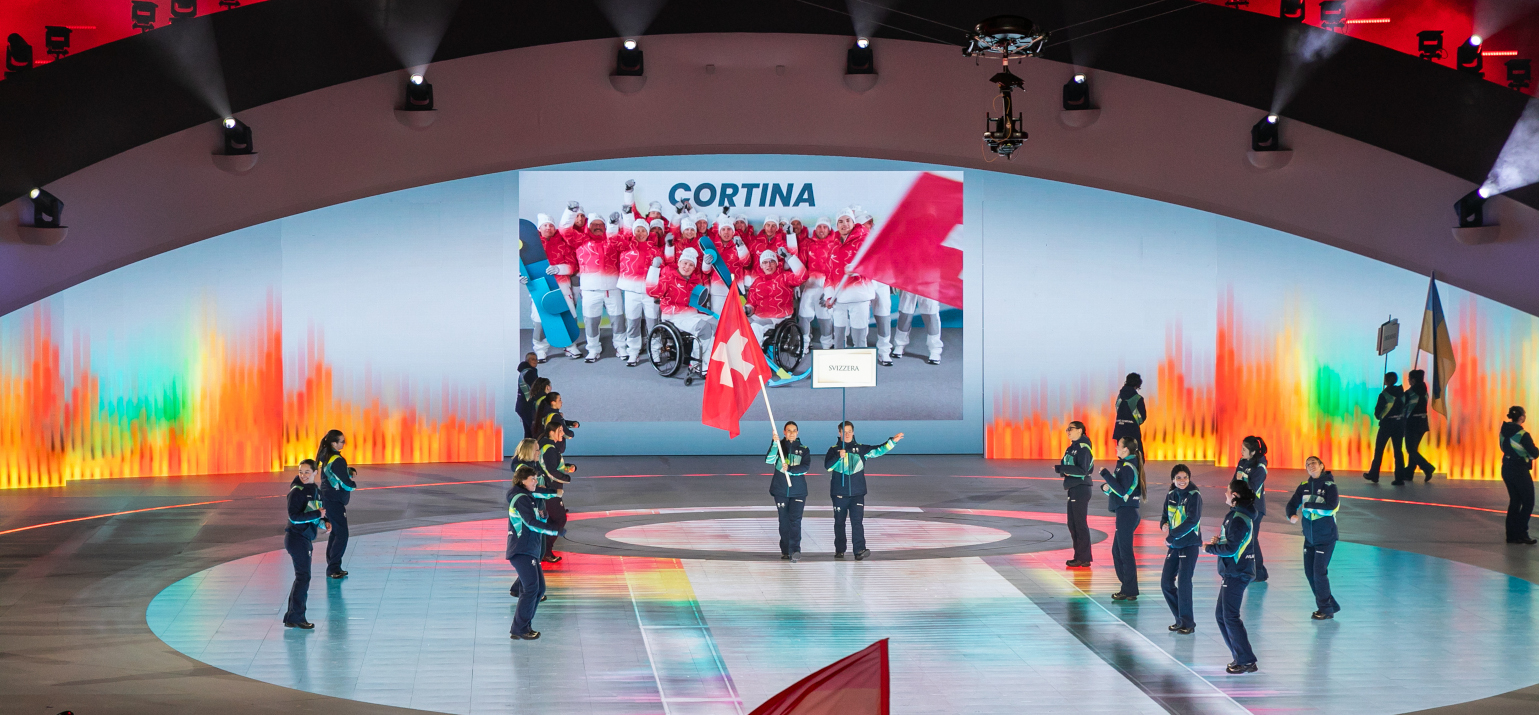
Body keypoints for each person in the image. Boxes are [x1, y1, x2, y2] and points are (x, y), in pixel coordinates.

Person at [824, 422, 904, 560]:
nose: (847, 434)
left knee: (857, 522)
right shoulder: (833, 450)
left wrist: (892, 442)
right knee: (839, 522)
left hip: (857, 493)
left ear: (853, 432)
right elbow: (828, 467)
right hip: (839, 493)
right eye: (844, 431)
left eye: (849, 431)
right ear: (839, 433)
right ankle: (840, 549)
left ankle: (859, 549)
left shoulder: (860, 449)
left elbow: (878, 450)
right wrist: (838, 456)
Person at [1205, 479, 1260, 674]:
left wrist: (1211, 548)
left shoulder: (1238, 518)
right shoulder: (1236, 515)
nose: (1225, 495)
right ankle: (1240, 656)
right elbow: (1230, 542)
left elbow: (1231, 549)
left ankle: (1245, 659)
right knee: (1222, 615)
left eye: (1227, 492)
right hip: (1232, 571)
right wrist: (1219, 541)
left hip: (1237, 572)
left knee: (1229, 616)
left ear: (1235, 496)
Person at [646, 247, 724, 371]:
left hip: (691, 315)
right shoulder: (669, 277)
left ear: (694, 268)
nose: (687, 267)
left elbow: (696, 304)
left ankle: (707, 361)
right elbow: (651, 291)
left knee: (717, 324)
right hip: (674, 317)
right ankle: (695, 363)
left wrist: (709, 314)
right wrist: (654, 269)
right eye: (685, 263)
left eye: (691, 265)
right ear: (679, 263)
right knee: (704, 328)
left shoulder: (695, 281)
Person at [507, 465, 562, 640]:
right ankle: (520, 628)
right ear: (522, 480)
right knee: (531, 588)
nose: (535, 482)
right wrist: (553, 530)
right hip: (522, 550)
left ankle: (521, 627)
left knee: (538, 589)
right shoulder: (521, 498)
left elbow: (540, 500)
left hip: (530, 550)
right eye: (532, 479)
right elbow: (530, 523)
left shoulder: (528, 497)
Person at [1286, 456, 1342, 619]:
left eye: (1313, 463)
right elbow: (1291, 504)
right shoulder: (1303, 486)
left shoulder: (1330, 486)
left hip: (1325, 538)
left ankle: (1325, 609)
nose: (1310, 466)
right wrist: (1291, 515)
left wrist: (1308, 506)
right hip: (1309, 538)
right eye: (1307, 464)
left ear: (1322, 466)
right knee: (1309, 573)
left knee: (1319, 573)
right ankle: (1329, 604)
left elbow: (1331, 507)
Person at [531, 212, 584, 361]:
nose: (548, 228)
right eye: (545, 225)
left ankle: (569, 345)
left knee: (568, 316)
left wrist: (559, 268)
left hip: (561, 285)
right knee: (540, 320)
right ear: (539, 228)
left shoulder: (562, 244)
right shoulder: (533, 246)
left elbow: (573, 265)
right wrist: (522, 277)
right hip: (541, 288)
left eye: (551, 225)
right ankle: (540, 349)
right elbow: (525, 266)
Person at [283, 460, 329, 629]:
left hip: (304, 538)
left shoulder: (315, 491)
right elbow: (294, 517)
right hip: (296, 538)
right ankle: (296, 617)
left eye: (307, 472)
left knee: (302, 577)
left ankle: (292, 616)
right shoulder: (297, 492)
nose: (303, 475)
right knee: (303, 577)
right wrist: (318, 513)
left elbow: (315, 514)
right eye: (301, 472)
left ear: (315, 472)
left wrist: (324, 523)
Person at [1099, 436, 1144, 600]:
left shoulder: (1127, 467)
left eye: (1118, 446)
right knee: (1118, 551)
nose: (1116, 448)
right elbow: (1120, 489)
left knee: (1124, 552)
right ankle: (1128, 587)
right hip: (1125, 512)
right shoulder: (1126, 466)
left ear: (1126, 449)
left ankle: (1129, 589)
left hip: (1127, 513)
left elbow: (1122, 491)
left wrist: (1105, 475)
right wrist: (1106, 488)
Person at [821, 211, 874, 351]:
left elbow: (874, 264)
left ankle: (860, 366)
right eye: (840, 221)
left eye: (847, 220)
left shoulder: (865, 241)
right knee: (838, 336)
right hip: (838, 299)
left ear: (853, 222)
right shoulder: (833, 246)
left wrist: (858, 269)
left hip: (859, 296)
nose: (844, 224)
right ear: (836, 225)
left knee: (859, 336)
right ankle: (839, 366)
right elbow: (829, 275)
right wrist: (828, 295)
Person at [1160, 464, 1202, 633]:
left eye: (1185, 477)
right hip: (1175, 545)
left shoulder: (1194, 495)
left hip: (1189, 544)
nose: (1182, 481)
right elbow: (1165, 515)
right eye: (1178, 478)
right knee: (1166, 583)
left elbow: (1192, 521)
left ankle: (1188, 623)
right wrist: (1163, 524)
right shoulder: (1171, 495)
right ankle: (1180, 619)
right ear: (1173, 480)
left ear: (1189, 478)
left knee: (1184, 583)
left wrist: (1171, 536)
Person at [618, 218, 663, 366]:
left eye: (643, 230)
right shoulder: (626, 247)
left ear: (648, 232)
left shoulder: (656, 250)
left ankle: (655, 352)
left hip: (650, 292)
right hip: (631, 291)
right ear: (633, 231)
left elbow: (663, 270)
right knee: (633, 322)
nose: (640, 233)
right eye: (637, 230)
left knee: (652, 322)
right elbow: (614, 240)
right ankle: (633, 351)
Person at [767, 420, 812, 562]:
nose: (791, 433)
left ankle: (795, 550)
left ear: (797, 433)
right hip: (780, 490)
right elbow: (769, 460)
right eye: (789, 430)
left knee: (795, 521)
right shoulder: (779, 446)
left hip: (798, 491)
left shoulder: (804, 449)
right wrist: (775, 444)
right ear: (784, 432)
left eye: (794, 430)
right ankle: (785, 550)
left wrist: (791, 470)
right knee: (784, 521)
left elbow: (805, 467)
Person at [743, 249, 808, 345]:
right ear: (761, 266)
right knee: (739, 322)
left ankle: (755, 356)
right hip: (759, 315)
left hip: (778, 318)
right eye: (765, 262)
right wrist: (748, 309)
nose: (768, 265)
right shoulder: (757, 282)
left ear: (777, 264)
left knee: (756, 326)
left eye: (771, 261)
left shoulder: (785, 277)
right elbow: (751, 303)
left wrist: (789, 257)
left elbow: (803, 276)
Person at [1054, 420, 1095, 568]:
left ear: (1080, 430)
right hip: (1073, 487)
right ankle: (1081, 556)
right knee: (1073, 523)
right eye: (1067, 429)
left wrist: (1062, 469)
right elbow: (1066, 466)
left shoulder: (1083, 448)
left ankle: (1083, 557)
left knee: (1079, 524)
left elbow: (1082, 470)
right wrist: (1062, 469)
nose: (1068, 431)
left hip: (1081, 488)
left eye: (1071, 429)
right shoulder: (1071, 448)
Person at [315, 429, 355, 579]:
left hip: (328, 498)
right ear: (334, 443)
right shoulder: (337, 459)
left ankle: (333, 565)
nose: (344, 444)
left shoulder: (327, 457)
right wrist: (352, 485)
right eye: (342, 441)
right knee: (342, 534)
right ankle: (333, 567)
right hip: (334, 500)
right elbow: (345, 481)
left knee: (336, 532)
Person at [538, 422, 577, 562]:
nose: (563, 433)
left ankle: (543, 550)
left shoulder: (547, 445)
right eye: (560, 430)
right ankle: (546, 551)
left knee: (550, 519)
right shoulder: (549, 448)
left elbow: (553, 466)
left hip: (547, 488)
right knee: (560, 518)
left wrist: (567, 467)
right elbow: (551, 470)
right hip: (550, 489)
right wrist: (566, 478)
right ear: (552, 432)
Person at [1233, 435, 1270, 581]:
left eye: (1244, 449)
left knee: (1252, 539)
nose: (1241, 451)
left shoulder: (1260, 468)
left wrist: (1243, 479)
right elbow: (1234, 481)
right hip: (1241, 506)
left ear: (1253, 452)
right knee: (1244, 538)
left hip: (1254, 509)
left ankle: (1259, 572)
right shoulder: (1242, 462)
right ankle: (1248, 568)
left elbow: (1252, 489)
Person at [797, 217, 837, 351]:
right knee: (804, 313)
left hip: (827, 284)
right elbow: (801, 263)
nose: (822, 230)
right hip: (810, 283)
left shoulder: (835, 244)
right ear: (815, 228)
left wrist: (832, 291)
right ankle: (804, 343)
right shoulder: (808, 243)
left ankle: (827, 343)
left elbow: (838, 268)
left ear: (829, 229)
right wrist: (798, 283)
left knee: (824, 315)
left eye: (825, 227)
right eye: (819, 227)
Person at [1500, 406, 1538, 544]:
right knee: (1528, 502)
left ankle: (1511, 535)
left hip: (1506, 468)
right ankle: (1522, 532)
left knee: (1515, 501)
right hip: (1519, 469)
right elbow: (1534, 453)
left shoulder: (1503, 431)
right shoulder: (1522, 434)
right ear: (1521, 417)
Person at [1364, 372, 1405, 483]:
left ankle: (1374, 474)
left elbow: (1378, 414)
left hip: (1386, 425)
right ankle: (1399, 477)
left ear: (1386, 381)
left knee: (1379, 450)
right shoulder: (1402, 394)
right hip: (1399, 425)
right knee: (1398, 451)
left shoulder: (1384, 395)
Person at [1399, 369, 1437, 483]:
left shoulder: (1410, 393)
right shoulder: (1424, 391)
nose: (1408, 381)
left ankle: (1427, 467)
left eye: (1409, 379)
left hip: (1412, 423)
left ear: (1413, 380)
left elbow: (1402, 405)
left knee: (1410, 449)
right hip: (1422, 423)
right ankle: (1409, 472)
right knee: (1413, 449)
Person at [892, 290, 943, 365]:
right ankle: (899, 344)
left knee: (931, 314)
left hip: (929, 281)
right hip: (909, 281)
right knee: (905, 313)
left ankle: (935, 350)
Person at [1112, 373, 1146, 455]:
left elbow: (1117, 409)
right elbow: (1142, 417)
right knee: (1137, 456)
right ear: (1138, 384)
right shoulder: (1138, 398)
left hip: (1119, 430)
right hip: (1132, 431)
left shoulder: (1119, 397)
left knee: (1122, 454)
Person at [515, 353, 539, 439]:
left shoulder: (525, 371)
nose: (535, 361)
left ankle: (525, 451)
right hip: (526, 406)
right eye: (533, 359)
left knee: (529, 432)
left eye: (536, 359)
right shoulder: (529, 372)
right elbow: (536, 388)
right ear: (527, 361)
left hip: (522, 407)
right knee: (534, 431)